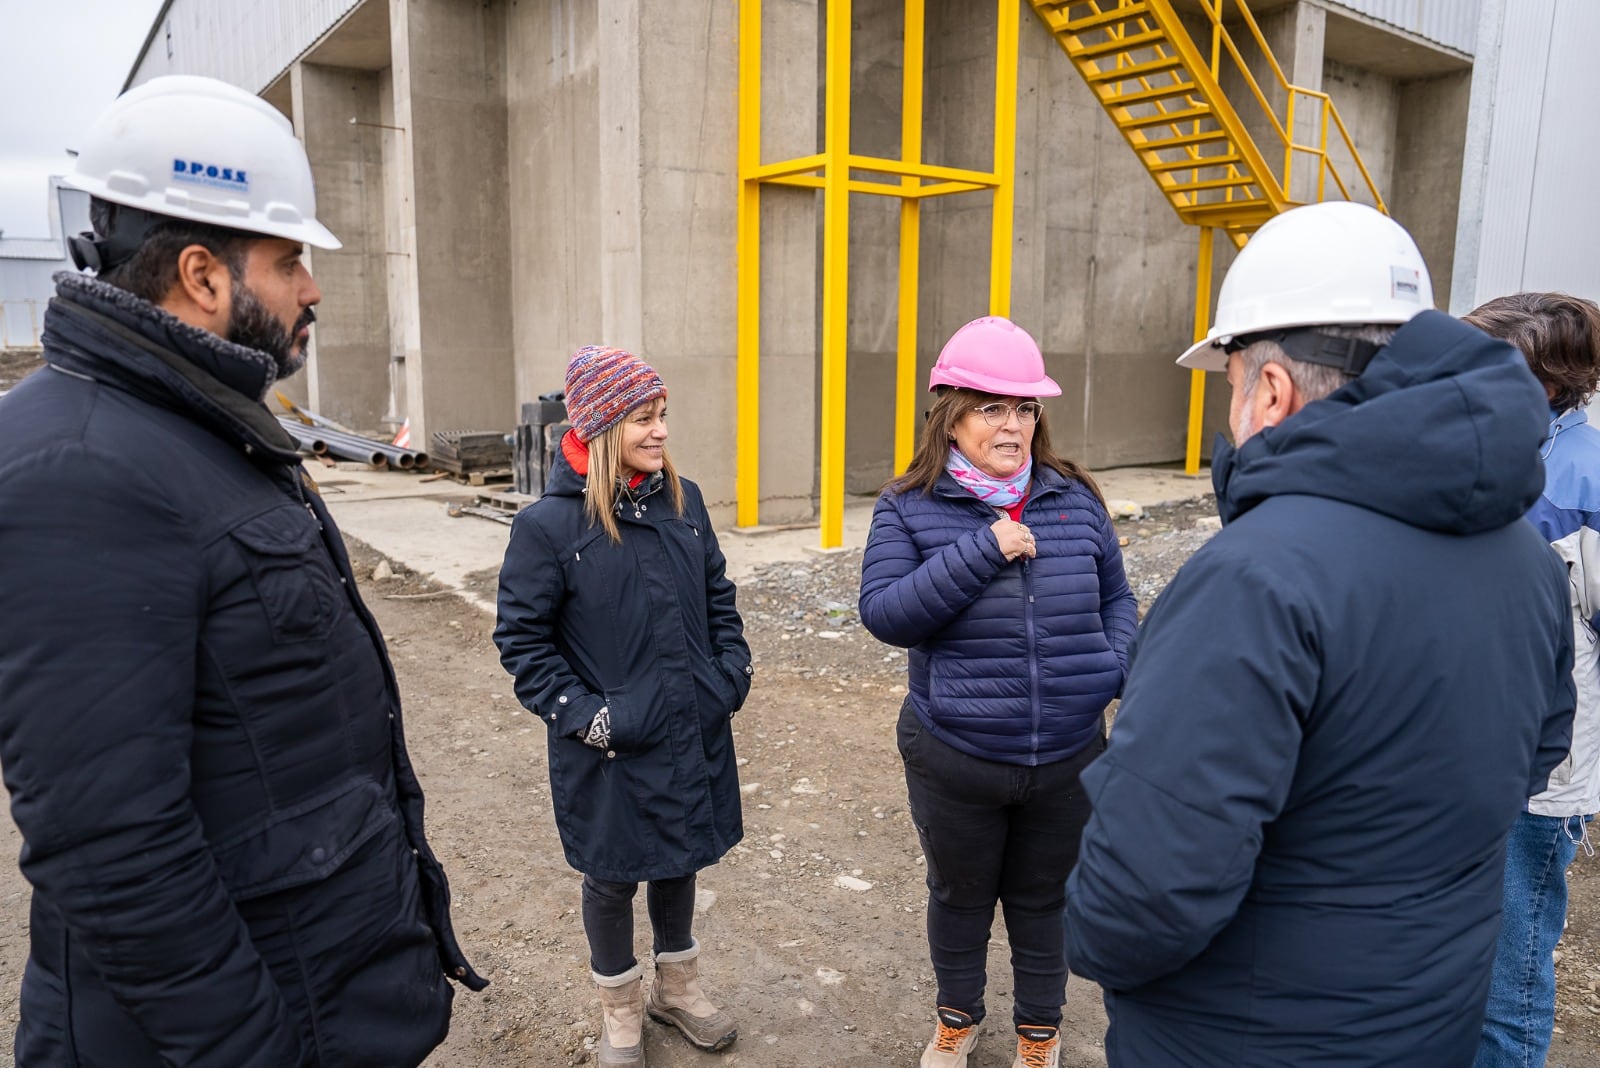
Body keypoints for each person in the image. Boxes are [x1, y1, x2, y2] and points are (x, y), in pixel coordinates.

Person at [0, 76, 483, 1067]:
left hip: (311, 985)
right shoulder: (82, 468)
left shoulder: (193, 424)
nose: (310, 289)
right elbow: (113, 846)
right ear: (201, 275)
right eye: (290, 259)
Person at [1061, 201, 1576, 1066]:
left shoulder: (1254, 578)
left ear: (1270, 390)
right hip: (1427, 1021)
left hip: (1248, 1038)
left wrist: (1092, 939)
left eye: (1228, 387)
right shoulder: (1523, 555)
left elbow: (1143, 898)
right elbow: (1537, 750)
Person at [858, 316, 1137, 1068]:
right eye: (991, 408)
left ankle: (1039, 1034)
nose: (1012, 425)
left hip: (1069, 758)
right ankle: (959, 1017)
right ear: (950, 415)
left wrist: (1108, 670)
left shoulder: (1074, 497)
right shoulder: (907, 505)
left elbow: (1119, 600)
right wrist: (982, 549)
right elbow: (884, 614)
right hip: (958, 754)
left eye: (1024, 409)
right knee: (960, 897)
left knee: (1045, 901)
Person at [494, 346, 751, 1068]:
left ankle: (680, 988)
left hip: (691, 724)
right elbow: (521, 643)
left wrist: (728, 676)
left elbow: (719, 602)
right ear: (603, 426)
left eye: (662, 415)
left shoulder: (683, 500)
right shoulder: (548, 528)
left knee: (680, 859)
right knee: (611, 877)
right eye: (643, 417)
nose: (660, 430)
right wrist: (589, 717)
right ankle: (622, 1013)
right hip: (610, 750)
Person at [1466, 292, 1600, 1068]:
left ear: (1543, 382)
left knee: (1508, 981)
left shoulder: (1580, 478)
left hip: (1541, 778)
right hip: (1476, 753)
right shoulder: (1502, 456)